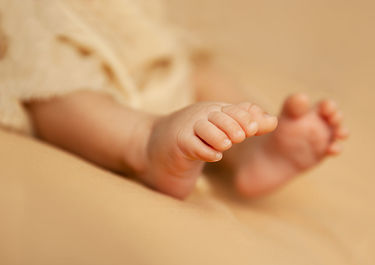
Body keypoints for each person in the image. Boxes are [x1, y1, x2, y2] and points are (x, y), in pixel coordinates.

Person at [0, 0, 348, 199]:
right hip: (45, 37)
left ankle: (252, 149)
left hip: (129, 41)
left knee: (199, 75)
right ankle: (144, 141)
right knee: (57, 92)